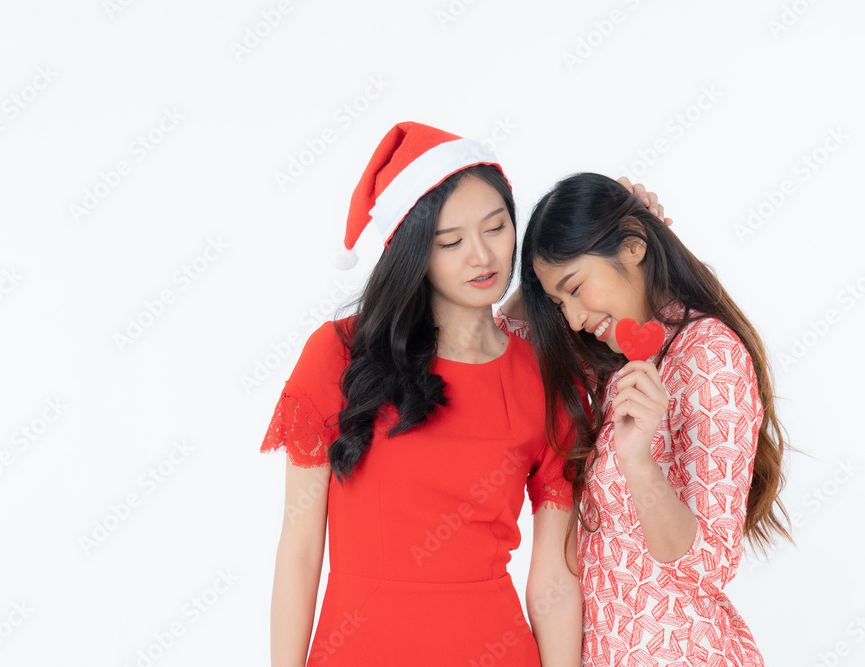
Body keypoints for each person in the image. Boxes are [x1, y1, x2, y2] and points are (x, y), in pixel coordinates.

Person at [261, 122, 586, 666]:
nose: (481, 256)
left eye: (497, 228)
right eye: (450, 242)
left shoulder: (546, 377)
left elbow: (554, 581)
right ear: (414, 251)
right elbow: (299, 550)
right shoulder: (340, 355)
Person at [496, 172, 792, 665]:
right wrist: (540, 278)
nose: (571, 318)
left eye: (575, 288)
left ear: (633, 247)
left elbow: (707, 568)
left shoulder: (709, 354)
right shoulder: (607, 359)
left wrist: (640, 464)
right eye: (557, 302)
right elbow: (502, 334)